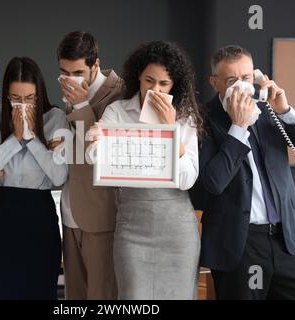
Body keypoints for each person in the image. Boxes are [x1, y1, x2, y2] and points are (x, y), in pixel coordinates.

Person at [199, 45, 295, 299]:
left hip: (286, 239)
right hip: (239, 243)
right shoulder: (202, 118)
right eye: (231, 80)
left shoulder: (269, 108)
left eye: (247, 78)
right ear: (214, 83)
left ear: (256, 76)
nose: (242, 86)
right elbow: (213, 182)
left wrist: (285, 111)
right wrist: (238, 127)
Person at [89, 41, 203, 299]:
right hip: (133, 225)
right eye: (149, 80)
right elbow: (96, 159)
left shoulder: (184, 117)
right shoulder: (117, 111)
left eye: (164, 84)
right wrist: (96, 139)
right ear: (138, 75)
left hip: (177, 228)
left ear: (175, 84)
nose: (155, 89)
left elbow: (187, 179)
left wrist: (171, 130)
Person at [0, 57, 69, 299]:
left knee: (39, 290)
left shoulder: (55, 118)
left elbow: (58, 175)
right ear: (6, 95)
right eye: (16, 99)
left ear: (40, 94)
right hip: (2, 215)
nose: (23, 106)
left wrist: (31, 139)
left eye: (30, 98)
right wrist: (15, 138)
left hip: (40, 217)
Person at [56, 31, 123, 299]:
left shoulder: (120, 95)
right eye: (63, 71)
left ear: (96, 64)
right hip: (70, 211)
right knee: (75, 296)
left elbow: (101, 156)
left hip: (101, 216)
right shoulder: (70, 93)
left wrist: (81, 105)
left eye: (78, 72)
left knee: (101, 296)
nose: (69, 79)